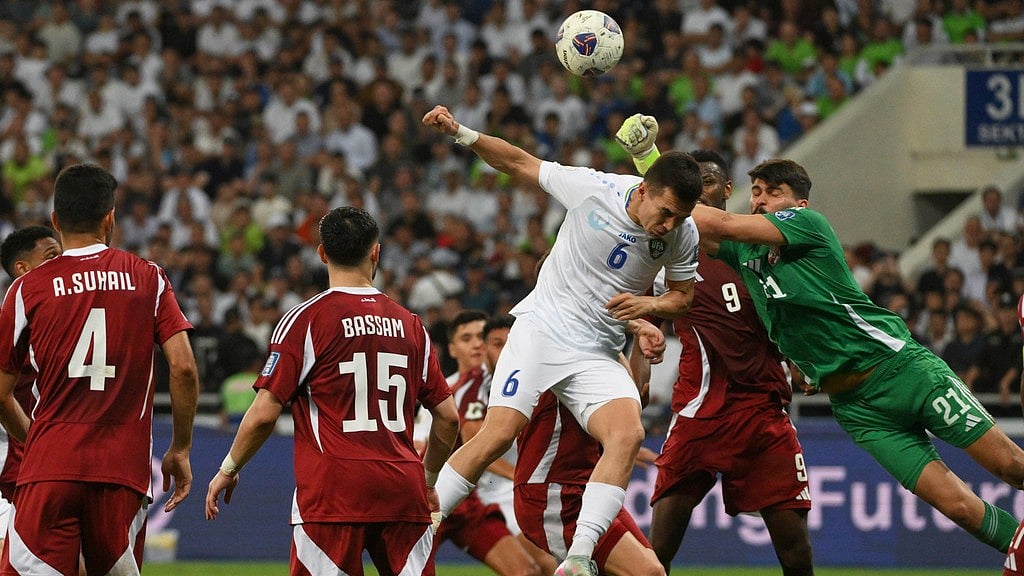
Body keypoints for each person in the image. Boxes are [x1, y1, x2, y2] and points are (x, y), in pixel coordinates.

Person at [644, 151, 1024, 556]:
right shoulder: (745, 255)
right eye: (756, 192)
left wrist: (644, 169)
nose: (761, 200)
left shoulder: (809, 225)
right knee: (960, 507)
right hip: (857, 409)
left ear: (800, 203)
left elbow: (713, 219)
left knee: (1011, 467)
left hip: (902, 370)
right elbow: (684, 224)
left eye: (774, 192)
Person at [421, 104, 702, 576]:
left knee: (628, 432)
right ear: (646, 190)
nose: (670, 225)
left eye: (681, 218)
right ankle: (423, 524)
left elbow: (683, 296)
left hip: (596, 351)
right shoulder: (595, 189)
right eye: (667, 212)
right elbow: (518, 162)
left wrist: (649, 308)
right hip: (542, 331)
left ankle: (576, 559)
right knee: (498, 434)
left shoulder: (682, 233)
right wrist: (460, 132)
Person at [205, 206, 460, 576]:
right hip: (402, 488)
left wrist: (229, 468)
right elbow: (448, 417)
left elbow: (263, 414)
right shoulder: (412, 325)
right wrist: (429, 480)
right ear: (376, 252)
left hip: (333, 491)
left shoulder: (305, 320)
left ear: (322, 253)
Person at [617, 139, 814, 575]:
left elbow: (789, 320)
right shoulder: (670, 253)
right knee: (657, 551)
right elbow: (647, 323)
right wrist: (640, 372)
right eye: (691, 186)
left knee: (795, 551)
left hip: (762, 410)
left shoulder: (760, 249)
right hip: (698, 412)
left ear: (725, 190)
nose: (699, 193)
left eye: (706, 182)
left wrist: (802, 361)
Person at [0, 163, 199, 575]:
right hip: (122, 473)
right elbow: (183, 369)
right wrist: (179, 448)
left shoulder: (25, 290)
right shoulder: (149, 278)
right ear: (110, 218)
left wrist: (34, 441)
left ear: (55, 221)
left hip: (49, 468)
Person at [514, 311, 667, 576]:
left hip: (590, 488)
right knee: (647, 572)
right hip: (553, 491)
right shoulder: (548, 340)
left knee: (654, 571)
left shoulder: (605, 348)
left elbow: (630, 404)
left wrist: (642, 347)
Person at [431, 309, 545, 576]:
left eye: (478, 338)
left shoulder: (505, 382)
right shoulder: (445, 390)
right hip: (436, 495)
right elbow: (474, 445)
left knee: (529, 570)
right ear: (452, 348)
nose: (476, 345)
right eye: (466, 338)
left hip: (472, 502)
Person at [0, 225, 61, 561]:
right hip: (16, 468)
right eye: (51, 256)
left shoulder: (56, 317)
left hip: (32, 469)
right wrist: (38, 445)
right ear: (22, 269)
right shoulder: (12, 322)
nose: (62, 263)